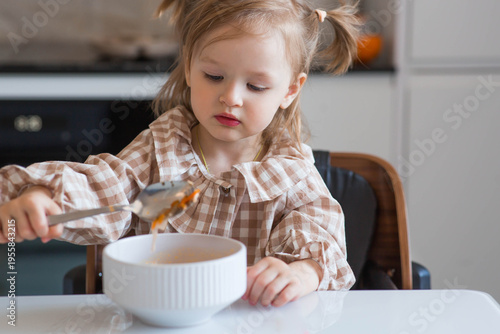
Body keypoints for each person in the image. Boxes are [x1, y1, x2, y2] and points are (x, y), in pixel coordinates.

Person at [0, 0, 359, 307]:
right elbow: (105, 189)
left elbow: (319, 237)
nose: (231, 97)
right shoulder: (160, 149)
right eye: (214, 76)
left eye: (256, 86)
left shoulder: (290, 175)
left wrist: (300, 272)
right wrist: (46, 198)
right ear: (189, 67)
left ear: (290, 90)